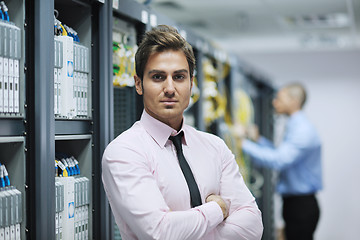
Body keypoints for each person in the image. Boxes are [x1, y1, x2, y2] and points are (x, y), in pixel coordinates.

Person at [102, 25, 263, 240]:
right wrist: (218, 210)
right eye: (158, 77)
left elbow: (252, 227)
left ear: (191, 84)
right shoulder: (124, 152)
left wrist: (189, 228)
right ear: (139, 84)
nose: (169, 88)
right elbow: (160, 233)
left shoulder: (214, 147)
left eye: (179, 77)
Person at [241, 83, 322, 240]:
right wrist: (258, 140)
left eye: (279, 98)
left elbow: (279, 160)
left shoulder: (302, 130)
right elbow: (280, 153)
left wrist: (242, 143)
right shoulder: (296, 125)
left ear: (294, 101)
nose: (274, 102)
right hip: (297, 204)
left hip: (301, 206)